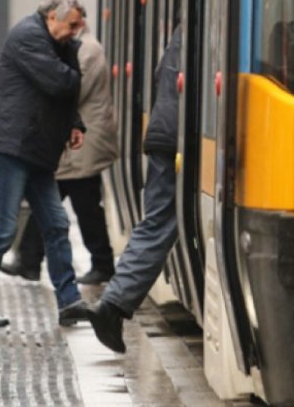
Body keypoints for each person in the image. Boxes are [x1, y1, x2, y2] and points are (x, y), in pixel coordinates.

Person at [0, 0, 91, 329]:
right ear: (52, 16)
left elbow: (63, 95)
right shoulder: (28, 37)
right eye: (72, 25)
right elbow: (61, 84)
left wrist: (74, 123)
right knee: (3, 230)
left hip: (37, 150)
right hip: (12, 148)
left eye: (79, 26)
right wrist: (74, 57)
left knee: (57, 225)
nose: (76, 32)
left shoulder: (56, 42)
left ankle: (69, 301)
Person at [1, 9, 119, 284]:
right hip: (74, 142)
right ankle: (29, 261)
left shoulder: (86, 49)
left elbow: (69, 90)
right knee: (50, 199)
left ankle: (100, 263)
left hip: (83, 142)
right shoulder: (75, 47)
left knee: (84, 204)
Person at [87, 25, 182, 354]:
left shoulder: (177, 39)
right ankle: (111, 306)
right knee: (161, 223)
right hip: (175, 141)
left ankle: (112, 304)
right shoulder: (203, 30)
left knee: (155, 223)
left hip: (162, 137)